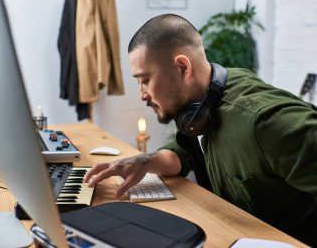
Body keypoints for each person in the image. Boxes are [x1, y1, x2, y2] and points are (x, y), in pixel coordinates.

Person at [83, 14, 317, 246]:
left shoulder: (265, 122)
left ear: (183, 67)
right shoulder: (198, 107)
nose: (142, 95)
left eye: (145, 80)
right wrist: (144, 161)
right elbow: (182, 152)